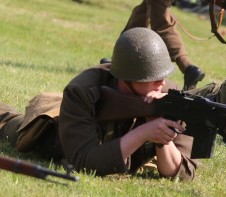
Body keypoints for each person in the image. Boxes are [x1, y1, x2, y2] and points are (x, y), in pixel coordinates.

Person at [0, 28, 197, 180]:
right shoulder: (83, 90)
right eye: (153, 78)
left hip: (102, 134)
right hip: (54, 132)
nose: (161, 83)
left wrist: (161, 136)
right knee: (11, 124)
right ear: (126, 78)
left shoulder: (169, 96)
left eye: (163, 76)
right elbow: (84, 162)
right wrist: (143, 133)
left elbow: (184, 173)